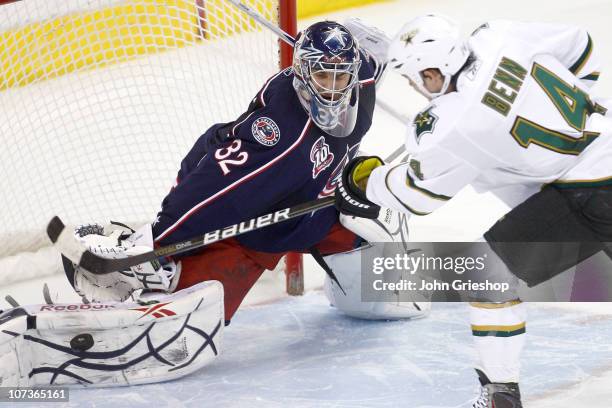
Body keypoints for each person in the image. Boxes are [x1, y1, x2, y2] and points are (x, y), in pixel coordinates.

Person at [24, 20, 429, 387]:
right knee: (181, 336)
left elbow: (377, 47)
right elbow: (211, 194)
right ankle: (140, 266)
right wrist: (160, 242)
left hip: (321, 213)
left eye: (342, 76)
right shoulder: (278, 138)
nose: (334, 87)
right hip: (259, 229)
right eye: (323, 75)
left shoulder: (363, 79)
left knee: (403, 302)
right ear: (303, 74)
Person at [335, 14, 612, 408]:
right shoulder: (502, 33)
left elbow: (418, 196)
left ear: (431, 72)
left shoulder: (454, 124)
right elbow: (580, 45)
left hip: (591, 195)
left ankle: (500, 397)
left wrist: (366, 182)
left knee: (486, 276)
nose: (417, 87)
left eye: (416, 78)